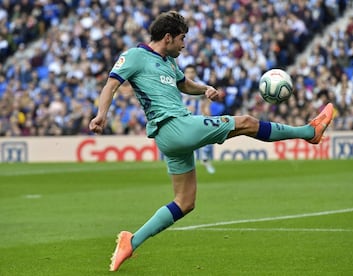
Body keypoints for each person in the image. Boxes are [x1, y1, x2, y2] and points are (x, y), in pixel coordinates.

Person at [89, 11, 334, 272]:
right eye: (182, 39)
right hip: (175, 127)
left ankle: (131, 241)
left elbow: (184, 85)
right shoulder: (135, 56)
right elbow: (110, 85)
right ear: (168, 37)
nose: (184, 44)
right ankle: (309, 132)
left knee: (185, 202)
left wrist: (204, 89)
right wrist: (101, 115)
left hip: (170, 137)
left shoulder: (169, 61)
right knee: (247, 122)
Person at [182, 64, 216, 174]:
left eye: (192, 72)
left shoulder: (200, 85)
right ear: (184, 73)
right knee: (185, 139)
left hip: (198, 115)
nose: (190, 74)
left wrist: (206, 109)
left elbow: (206, 99)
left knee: (205, 137)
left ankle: (205, 160)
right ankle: (186, 164)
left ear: (195, 73)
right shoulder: (179, 84)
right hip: (184, 116)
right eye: (188, 72)